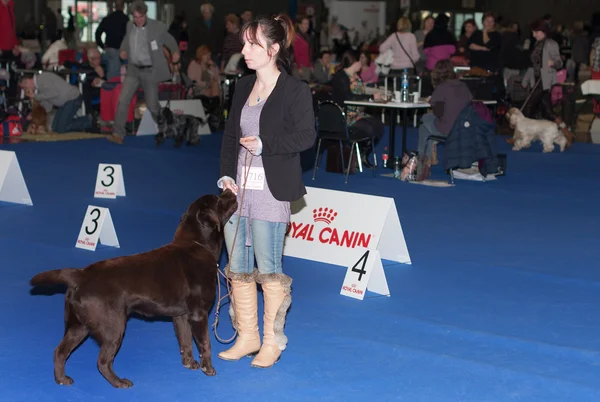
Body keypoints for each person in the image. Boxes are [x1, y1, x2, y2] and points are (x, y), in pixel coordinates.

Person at [217, 13, 316, 369]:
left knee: (269, 269)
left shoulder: (295, 90)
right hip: (238, 191)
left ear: (273, 49)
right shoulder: (242, 86)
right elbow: (229, 138)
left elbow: (306, 137)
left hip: (272, 191)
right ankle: (247, 336)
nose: (244, 50)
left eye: (252, 44)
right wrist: (226, 176)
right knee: (238, 266)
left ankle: (273, 340)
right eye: (244, 43)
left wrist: (265, 145)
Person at [107, 0, 180, 145]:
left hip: (150, 72)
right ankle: (118, 133)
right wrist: (123, 50)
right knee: (123, 101)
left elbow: (170, 40)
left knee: (153, 105)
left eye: (140, 17)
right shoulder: (129, 25)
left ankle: (165, 128)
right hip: (133, 70)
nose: (138, 20)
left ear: (145, 15)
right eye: (135, 17)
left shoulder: (157, 27)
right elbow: (126, 42)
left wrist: (175, 52)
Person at [520, 19, 574, 144]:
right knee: (548, 112)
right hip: (537, 80)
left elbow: (559, 62)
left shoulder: (551, 43)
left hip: (544, 81)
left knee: (528, 107)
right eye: (533, 32)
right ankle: (567, 132)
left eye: (536, 32)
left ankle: (521, 137)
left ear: (543, 31)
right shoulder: (537, 43)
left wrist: (552, 62)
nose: (534, 35)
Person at [331, 50, 384, 168]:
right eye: (360, 60)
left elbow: (361, 91)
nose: (362, 62)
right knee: (370, 128)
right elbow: (349, 97)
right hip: (345, 115)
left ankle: (362, 154)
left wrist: (376, 93)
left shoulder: (356, 76)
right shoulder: (341, 77)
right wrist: (370, 97)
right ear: (354, 62)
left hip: (358, 114)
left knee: (379, 126)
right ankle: (357, 153)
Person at [417, 60, 472, 168]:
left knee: (424, 123)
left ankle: (423, 160)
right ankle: (430, 155)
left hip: (448, 129)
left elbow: (438, 113)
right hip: (464, 128)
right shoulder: (464, 85)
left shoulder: (441, 87)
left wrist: (430, 102)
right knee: (428, 123)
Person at [19, 72, 93, 133]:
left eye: (24, 87)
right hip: (66, 103)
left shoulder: (42, 79)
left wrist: (35, 96)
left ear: (27, 81)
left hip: (73, 99)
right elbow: (47, 105)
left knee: (61, 128)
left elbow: (54, 93)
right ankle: (81, 121)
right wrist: (34, 114)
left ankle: (89, 120)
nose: (25, 90)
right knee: (55, 128)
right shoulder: (39, 86)